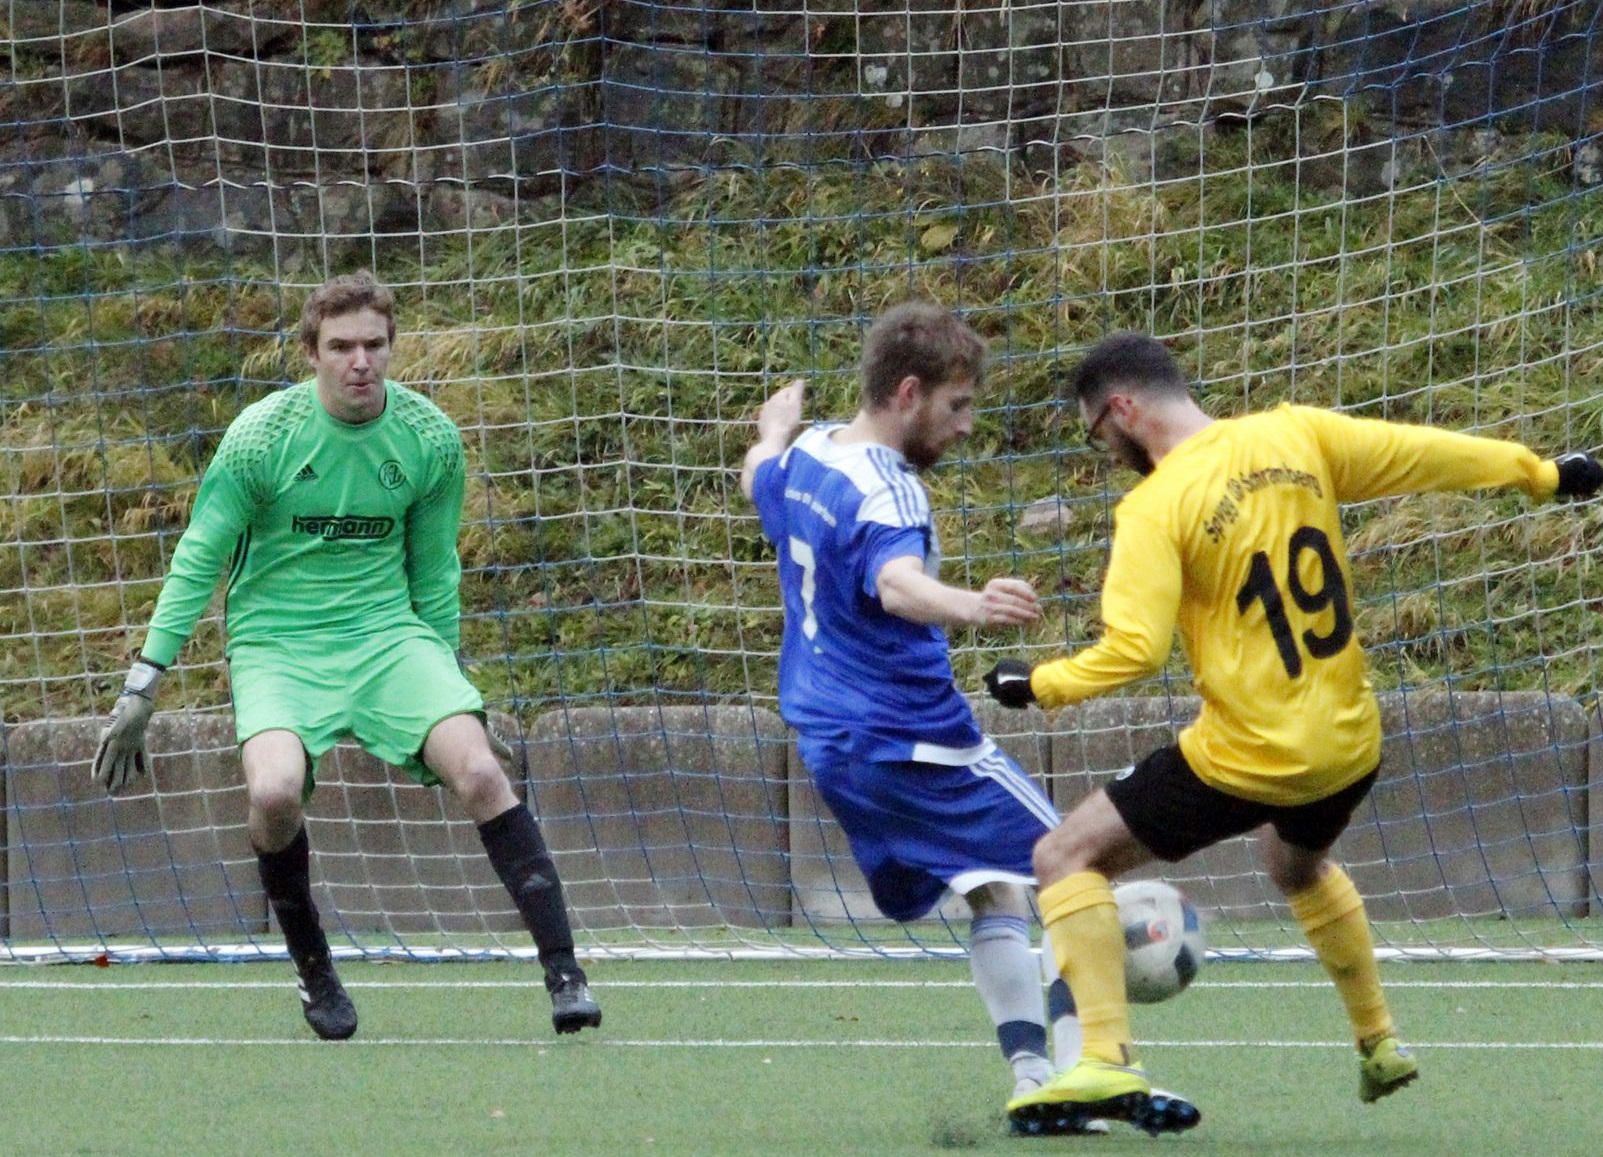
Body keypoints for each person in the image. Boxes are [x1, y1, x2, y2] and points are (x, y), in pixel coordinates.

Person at [983, 331, 1603, 1134]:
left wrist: (1034, 684)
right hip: (1349, 748)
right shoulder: (1296, 434)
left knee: (1062, 856)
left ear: (1122, 408)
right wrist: (1545, 474)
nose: (1105, 454)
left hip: (1249, 756)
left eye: (1097, 435)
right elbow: (1424, 453)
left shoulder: (1156, 505)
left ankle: (1101, 1056)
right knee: (1292, 863)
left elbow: (1131, 652)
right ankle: (1378, 1040)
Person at [91, 271, 602, 1040]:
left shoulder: (429, 438)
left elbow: (434, 570)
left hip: (388, 637)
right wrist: (144, 680)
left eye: (373, 344)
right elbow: (199, 555)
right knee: (272, 795)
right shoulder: (263, 436)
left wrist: (449, 673)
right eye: (340, 346)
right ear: (312, 353)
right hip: (277, 643)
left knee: (481, 768)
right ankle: (314, 971)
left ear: (393, 349)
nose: (358, 360)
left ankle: (566, 974)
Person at [741, 301, 1098, 1129]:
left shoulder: (809, 458)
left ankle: (1034, 1075)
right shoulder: (890, 492)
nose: (967, 426)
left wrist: (771, 429)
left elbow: (757, 472)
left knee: (994, 893)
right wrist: (971, 604)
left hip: (834, 751)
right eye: (957, 405)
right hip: (916, 740)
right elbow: (896, 583)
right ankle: (1086, 1072)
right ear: (908, 393)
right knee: (1074, 869)